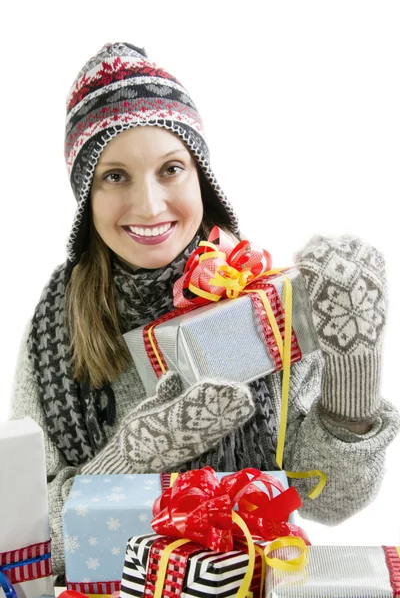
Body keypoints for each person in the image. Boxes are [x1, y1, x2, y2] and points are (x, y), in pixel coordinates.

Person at [10, 41, 400, 578]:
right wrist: (136, 459)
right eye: (115, 176)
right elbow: (33, 550)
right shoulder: (56, 331)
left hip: (255, 577)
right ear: (87, 197)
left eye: (171, 168)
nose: (148, 205)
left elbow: (328, 501)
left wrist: (352, 374)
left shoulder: (267, 303)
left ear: (201, 178)